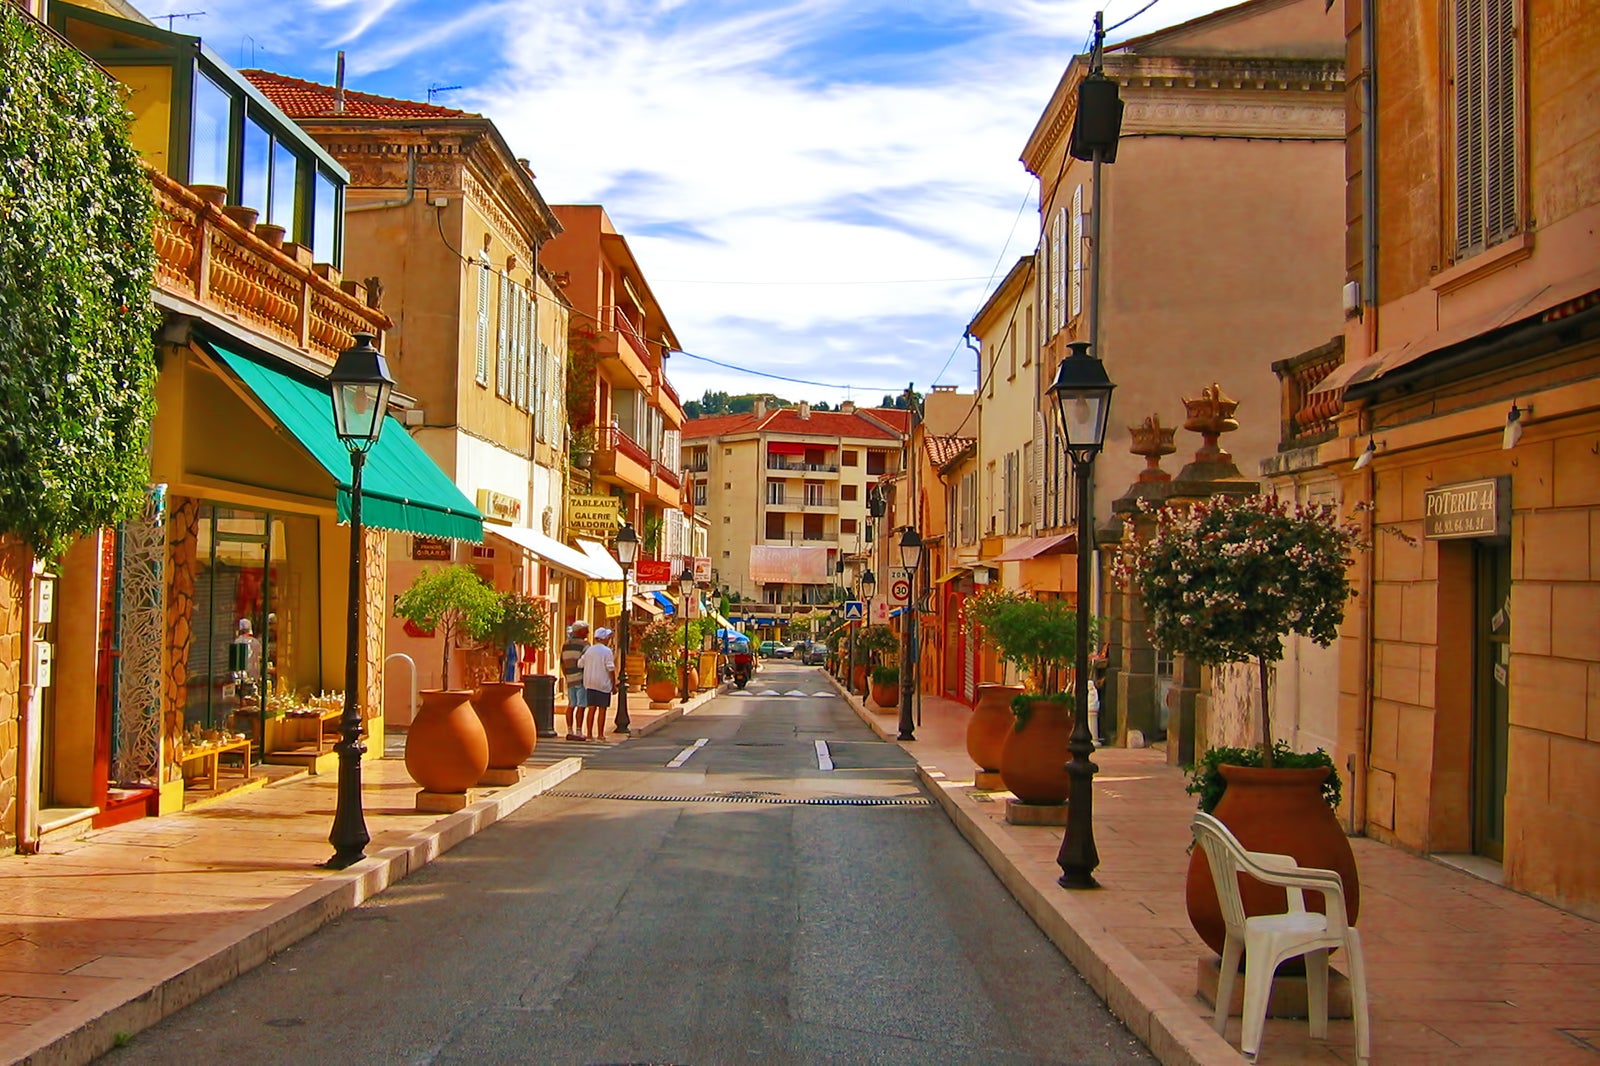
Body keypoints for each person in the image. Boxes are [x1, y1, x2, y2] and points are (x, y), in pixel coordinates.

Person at [577, 626, 617, 741]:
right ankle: (600, 734)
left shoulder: (589, 650)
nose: (609, 640)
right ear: (604, 639)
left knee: (591, 708)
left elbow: (580, 664)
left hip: (589, 683)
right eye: (608, 637)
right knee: (602, 709)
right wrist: (613, 685)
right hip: (603, 684)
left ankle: (589, 734)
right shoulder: (607, 651)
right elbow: (610, 669)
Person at [560, 621, 590, 741]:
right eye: (585, 629)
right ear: (579, 631)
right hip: (581, 678)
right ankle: (578, 731)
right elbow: (587, 662)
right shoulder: (585, 645)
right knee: (581, 705)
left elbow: (562, 662)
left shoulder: (566, 644)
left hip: (570, 678)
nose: (588, 632)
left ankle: (569, 730)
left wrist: (566, 676)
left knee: (571, 705)